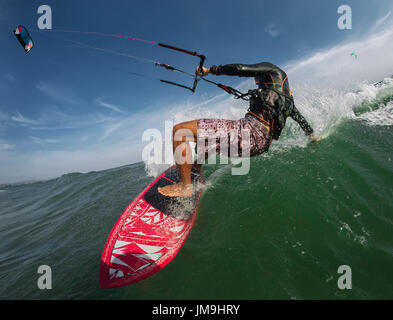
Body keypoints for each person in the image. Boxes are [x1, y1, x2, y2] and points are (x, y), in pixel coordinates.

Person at [158, 62, 320, 197]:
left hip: (248, 133)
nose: (256, 81)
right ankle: (195, 168)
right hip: (260, 146)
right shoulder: (289, 103)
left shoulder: (274, 71)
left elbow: (240, 69)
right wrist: (313, 137)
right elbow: (304, 124)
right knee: (208, 136)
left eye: (257, 77)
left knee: (180, 131)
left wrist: (210, 70)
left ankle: (185, 186)